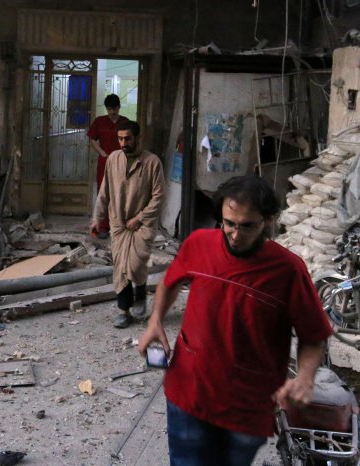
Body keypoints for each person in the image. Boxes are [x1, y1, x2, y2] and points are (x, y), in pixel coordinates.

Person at [137, 174, 332, 466]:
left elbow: (314, 335)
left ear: (268, 220)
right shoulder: (198, 244)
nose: (235, 234)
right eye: (229, 223)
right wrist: (155, 321)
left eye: (247, 226)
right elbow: (170, 281)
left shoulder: (288, 271)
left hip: (247, 407)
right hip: (190, 393)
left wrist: (305, 378)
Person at [90, 120, 164, 328]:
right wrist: (97, 218)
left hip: (143, 224)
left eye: (127, 138)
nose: (123, 142)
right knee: (120, 267)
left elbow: (158, 197)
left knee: (136, 264)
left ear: (138, 138)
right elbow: (104, 192)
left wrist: (140, 217)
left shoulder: (152, 162)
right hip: (119, 224)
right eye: (120, 138)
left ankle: (140, 295)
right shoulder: (113, 159)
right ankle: (124, 310)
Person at [86, 94, 130, 238]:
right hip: (104, 162)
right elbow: (92, 139)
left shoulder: (125, 122)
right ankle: (103, 227)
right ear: (106, 108)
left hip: (122, 162)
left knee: (121, 193)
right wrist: (101, 152)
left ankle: (118, 226)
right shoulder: (100, 121)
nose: (112, 112)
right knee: (103, 193)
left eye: (115, 109)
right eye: (109, 109)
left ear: (119, 107)